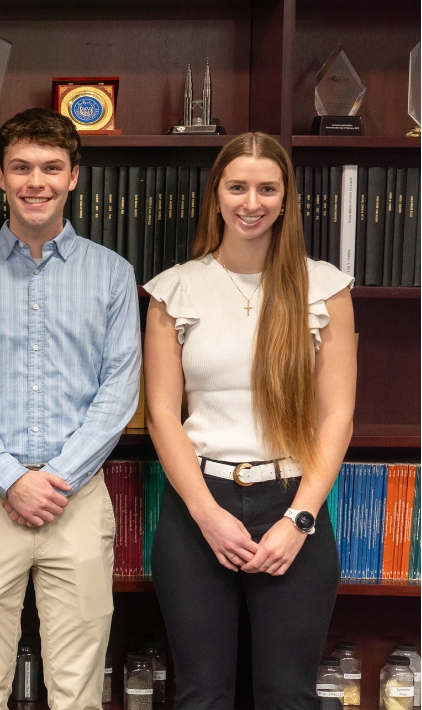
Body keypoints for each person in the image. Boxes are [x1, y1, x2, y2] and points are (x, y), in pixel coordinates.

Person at [0, 108, 141, 709]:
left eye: (51, 168)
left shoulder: (112, 275)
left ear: (74, 176)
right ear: (0, 176)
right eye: (21, 167)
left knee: (77, 690)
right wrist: (12, 479)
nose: (36, 182)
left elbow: (118, 391)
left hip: (76, 501)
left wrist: (55, 480)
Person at [144, 132, 354, 709]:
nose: (251, 202)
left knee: (287, 695)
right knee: (202, 696)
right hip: (198, 506)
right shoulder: (175, 289)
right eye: (237, 187)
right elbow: (162, 413)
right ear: (217, 194)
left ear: (286, 199)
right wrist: (207, 515)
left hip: (293, 500)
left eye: (267, 188)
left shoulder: (325, 286)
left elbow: (337, 415)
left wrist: (299, 520)